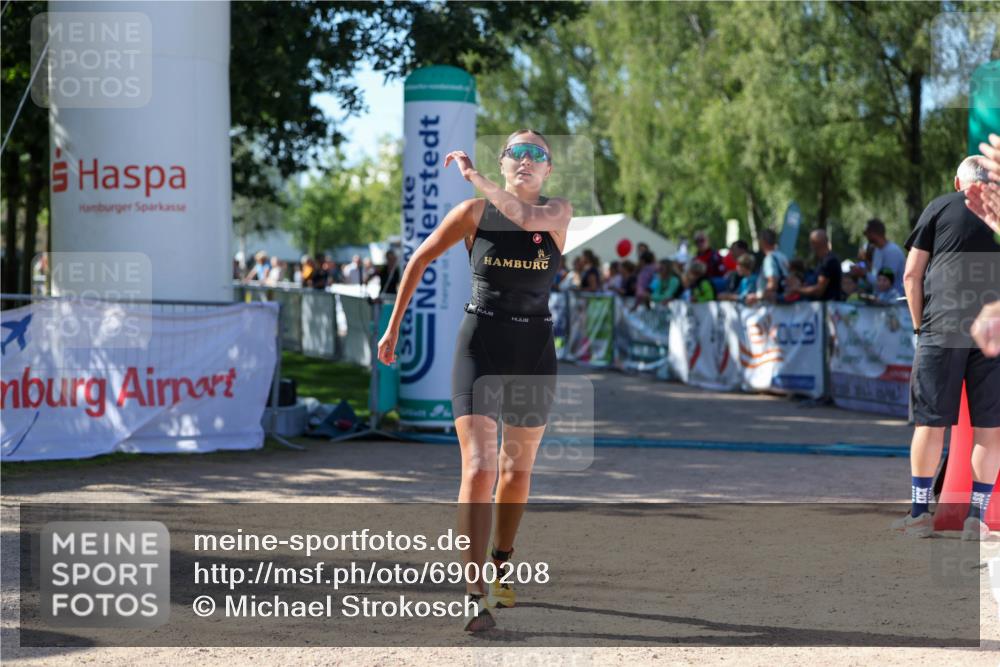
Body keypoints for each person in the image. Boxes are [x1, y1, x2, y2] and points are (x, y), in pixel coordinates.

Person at [376, 129, 572, 631]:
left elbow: (522, 217)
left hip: (534, 350)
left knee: (515, 472)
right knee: (480, 468)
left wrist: (473, 175)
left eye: (537, 155)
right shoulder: (471, 214)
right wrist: (393, 325)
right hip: (480, 343)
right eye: (517, 153)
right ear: (505, 162)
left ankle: (503, 560)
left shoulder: (556, 212)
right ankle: (473, 593)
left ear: (548, 169)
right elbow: (418, 259)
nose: (526, 160)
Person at [892, 155, 1000, 540]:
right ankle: (978, 518)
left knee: (930, 423)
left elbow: (910, 274)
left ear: (958, 184)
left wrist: (921, 327)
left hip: (941, 328)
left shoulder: (939, 207)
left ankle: (921, 513)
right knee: (990, 429)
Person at [850, 218, 906, 294]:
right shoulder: (877, 251)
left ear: (874, 233)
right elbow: (876, 279)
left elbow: (884, 284)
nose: (866, 237)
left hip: (893, 302)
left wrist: (864, 274)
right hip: (880, 301)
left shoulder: (893, 252)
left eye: (867, 234)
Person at [790, 229, 842, 302]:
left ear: (816, 244)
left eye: (811, 242)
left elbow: (819, 290)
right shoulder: (824, 260)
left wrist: (797, 289)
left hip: (827, 309)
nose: (810, 245)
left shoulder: (829, 261)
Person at [747, 228, 789, 305]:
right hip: (781, 303)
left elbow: (772, 283)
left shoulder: (769, 259)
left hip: (770, 305)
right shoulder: (782, 256)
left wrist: (758, 297)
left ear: (763, 242)